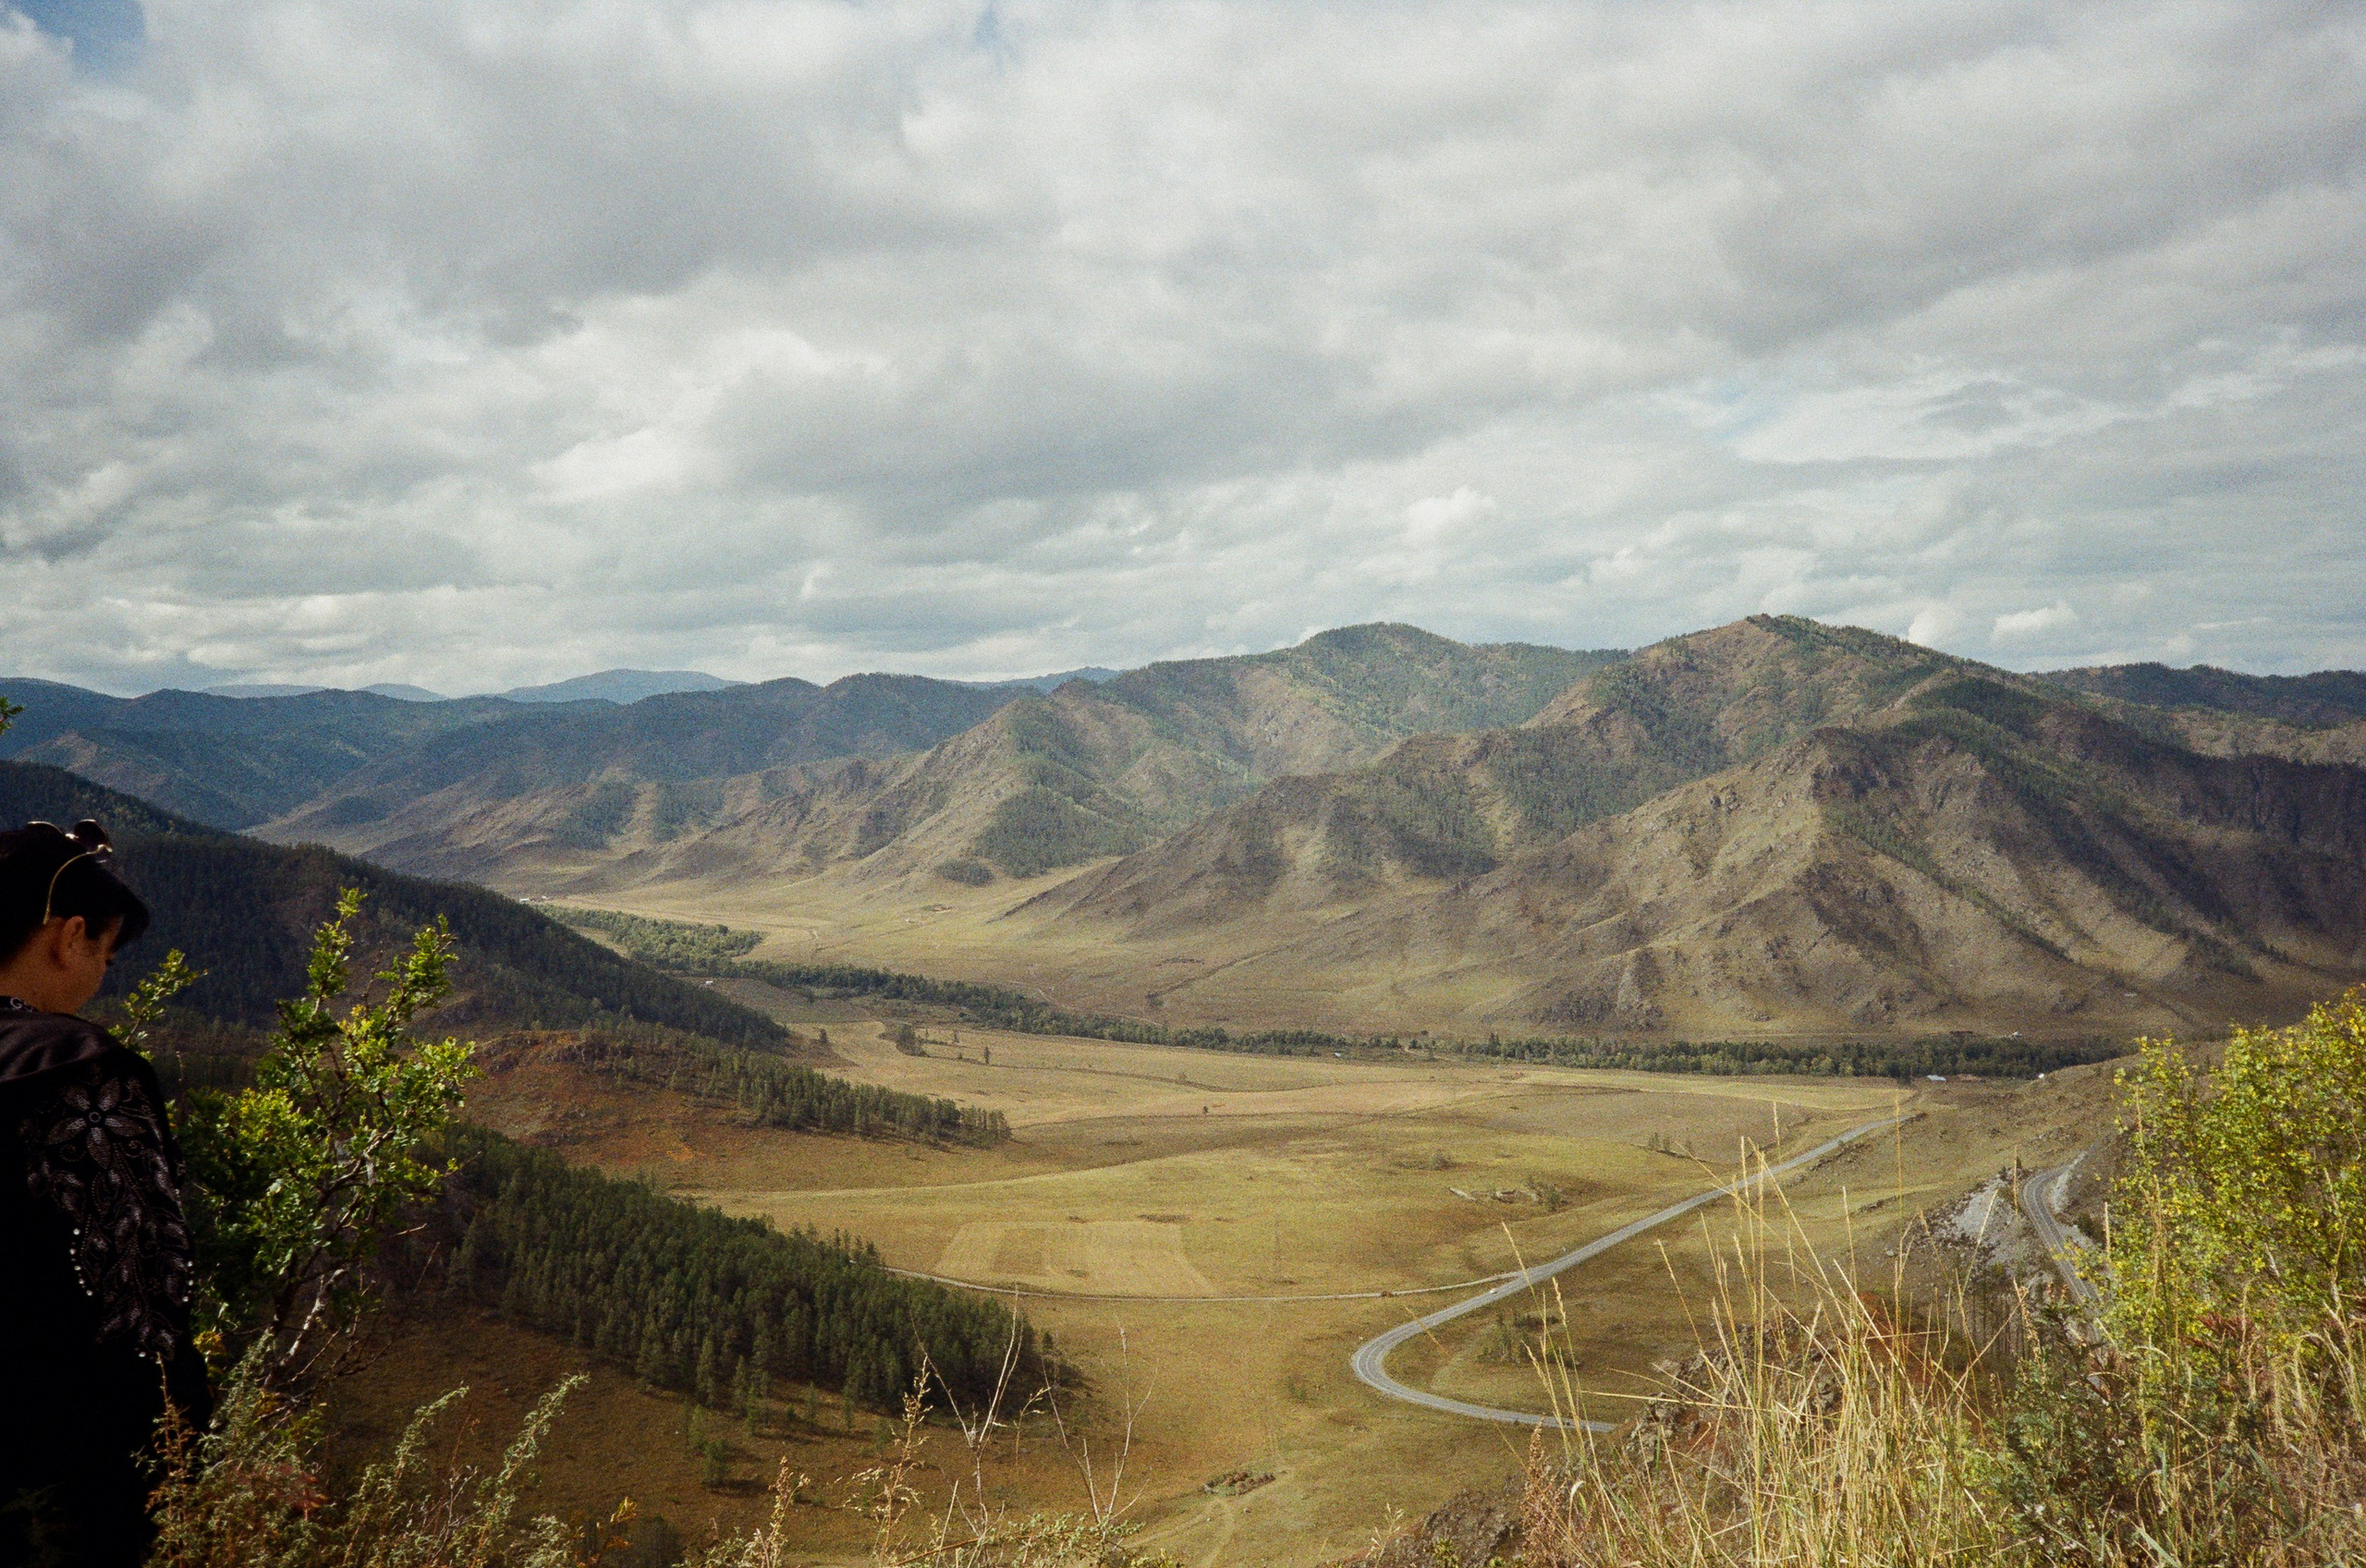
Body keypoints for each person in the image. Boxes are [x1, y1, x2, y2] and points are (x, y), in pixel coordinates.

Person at [0, 820, 211, 1568]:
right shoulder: (79, 1073)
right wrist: (185, 1454)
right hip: (50, 1476)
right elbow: (143, 1292)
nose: (101, 973)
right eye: (106, 952)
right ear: (69, 935)